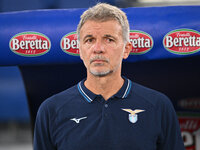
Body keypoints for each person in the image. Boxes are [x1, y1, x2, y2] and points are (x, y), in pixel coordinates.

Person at [33, 3, 185, 150]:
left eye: (109, 40)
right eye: (89, 40)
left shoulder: (158, 106)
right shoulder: (51, 110)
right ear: (80, 50)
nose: (98, 49)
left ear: (126, 49)